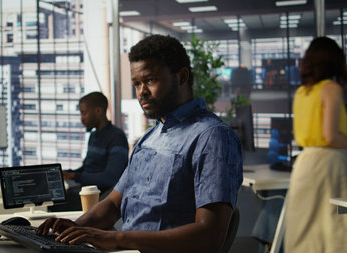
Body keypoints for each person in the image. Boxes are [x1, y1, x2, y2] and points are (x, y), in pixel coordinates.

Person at [37, 34, 243, 253]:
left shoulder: (212, 137)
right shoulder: (149, 138)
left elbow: (209, 237)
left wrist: (118, 239)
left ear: (182, 77)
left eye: (150, 80)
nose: (141, 92)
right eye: (136, 83)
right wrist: (75, 228)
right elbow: (113, 204)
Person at [285, 37, 347, 252]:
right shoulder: (331, 88)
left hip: (304, 163)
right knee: (333, 226)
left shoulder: (303, 92)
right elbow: (330, 136)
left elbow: (298, 131)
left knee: (304, 229)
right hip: (328, 164)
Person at [55, 92, 129, 211]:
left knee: (54, 202)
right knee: (54, 195)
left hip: (99, 197)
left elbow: (111, 178)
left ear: (98, 111)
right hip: (86, 190)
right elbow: (87, 168)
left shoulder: (116, 137)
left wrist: (74, 176)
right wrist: (67, 173)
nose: (82, 118)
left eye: (84, 113)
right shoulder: (94, 136)